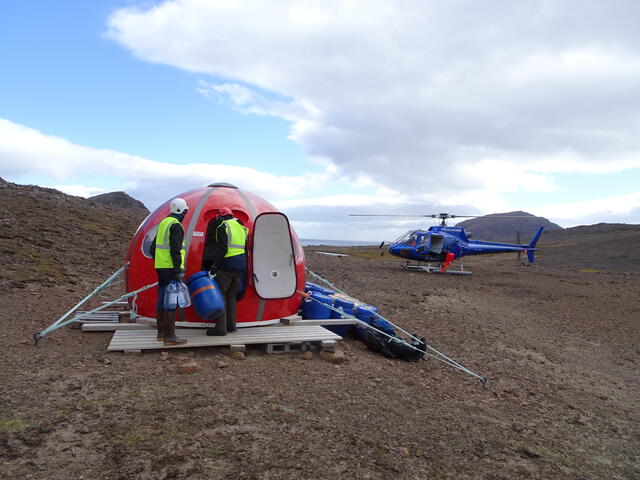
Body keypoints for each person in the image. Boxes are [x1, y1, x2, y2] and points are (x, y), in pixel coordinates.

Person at [151, 197, 188, 345]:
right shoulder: (176, 226)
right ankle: (170, 336)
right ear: (182, 212)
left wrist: (160, 261)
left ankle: (161, 333)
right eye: (185, 212)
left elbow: (152, 248)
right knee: (171, 301)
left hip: (161, 268)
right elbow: (176, 250)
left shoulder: (164, 224)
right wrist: (178, 270)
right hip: (171, 268)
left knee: (162, 298)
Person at [205, 207, 248, 336]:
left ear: (221, 216)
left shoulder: (222, 227)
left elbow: (222, 249)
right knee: (231, 296)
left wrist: (214, 266)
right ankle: (231, 326)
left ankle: (221, 328)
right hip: (240, 265)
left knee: (221, 295)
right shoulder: (241, 227)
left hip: (227, 266)